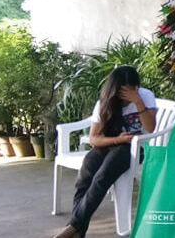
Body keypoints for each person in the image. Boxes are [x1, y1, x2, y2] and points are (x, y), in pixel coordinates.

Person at [55, 66, 157, 238]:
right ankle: (78, 230)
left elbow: (151, 128)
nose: (126, 99)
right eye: (122, 94)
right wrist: (118, 139)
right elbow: (94, 139)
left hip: (135, 147)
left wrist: (138, 102)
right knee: (85, 175)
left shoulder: (145, 96)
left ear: (137, 87)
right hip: (112, 143)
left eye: (131, 91)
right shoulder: (106, 102)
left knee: (102, 177)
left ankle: (73, 227)